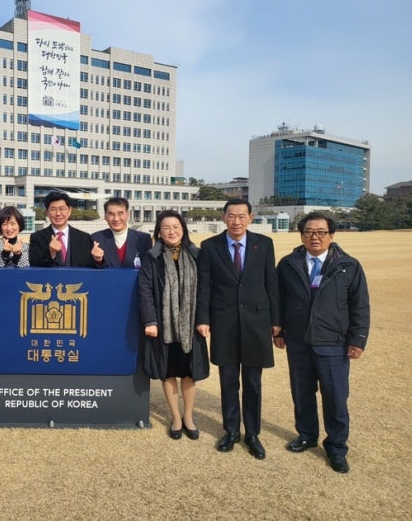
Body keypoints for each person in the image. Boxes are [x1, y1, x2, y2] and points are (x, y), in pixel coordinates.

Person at [275, 212, 370, 474]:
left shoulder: (348, 266)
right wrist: (278, 332)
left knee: (335, 397)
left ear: (331, 235)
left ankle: (337, 447)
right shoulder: (288, 264)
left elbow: (359, 305)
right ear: (301, 234)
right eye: (308, 232)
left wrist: (358, 340)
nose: (314, 237)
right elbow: (279, 300)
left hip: (333, 343)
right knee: (302, 393)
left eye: (320, 232)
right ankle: (306, 435)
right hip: (298, 342)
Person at [195, 198, 281, 460]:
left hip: (257, 322)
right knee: (228, 380)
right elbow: (205, 286)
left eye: (242, 216)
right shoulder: (209, 247)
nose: (236, 221)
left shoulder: (264, 244)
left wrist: (276, 321)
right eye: (231, 216)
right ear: (224, 218)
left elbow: (271, 283)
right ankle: (231, 430)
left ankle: (252, 433)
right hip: (224, 322)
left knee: (253, 382)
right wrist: (203, 318)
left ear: (251, 218)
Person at [138, 211, 209, 440]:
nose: (171, 231)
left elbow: (205, 290)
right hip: (164, 325)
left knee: (190, 372)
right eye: (166, 227)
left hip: (190, 326)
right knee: (168, 371)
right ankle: (176, 417)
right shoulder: (152, 256)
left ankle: (189, 416)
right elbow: (145, 289)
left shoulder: (197, 254)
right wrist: (150, 320)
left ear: (183, 229)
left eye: (176, 226)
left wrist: (203, 320)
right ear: (159, 231)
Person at [29, 190, 97, 267]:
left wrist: (98, 259)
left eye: (62, 208)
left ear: (69, 210)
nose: (58, 213)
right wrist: (51, 253)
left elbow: (91, 266)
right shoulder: (37, 237)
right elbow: (33, 264)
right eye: (53, 209)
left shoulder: (84, 237)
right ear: (47, 212)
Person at [91, 197, 152, 269]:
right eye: (111, 214)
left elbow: (148, 270)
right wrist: (98, 260)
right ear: (105, 216)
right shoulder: (96, 239)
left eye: (120, 213)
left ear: (127, 214)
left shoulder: (143, 239)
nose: (116, 219)